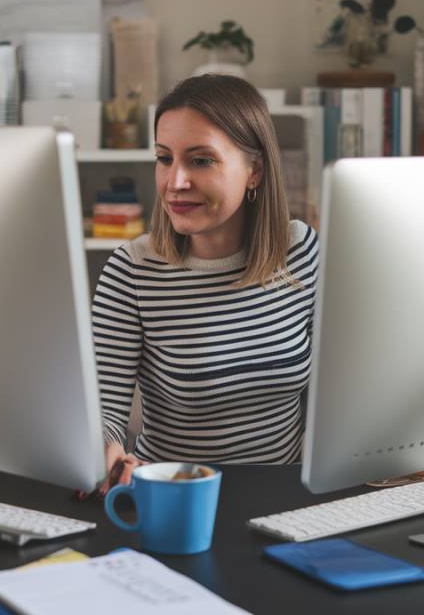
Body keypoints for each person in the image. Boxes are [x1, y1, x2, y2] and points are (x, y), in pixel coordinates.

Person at [92, 74, 319, 493]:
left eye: (200, 160)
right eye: (164, 158)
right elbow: (102, 412)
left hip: (286, 496)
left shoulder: (301, 252)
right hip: (178, 498)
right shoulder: (132, 270)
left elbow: (337, 392)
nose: (174, 182)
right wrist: (106, 450)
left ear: (255, 171)